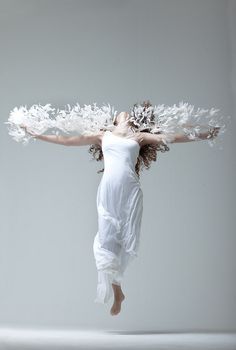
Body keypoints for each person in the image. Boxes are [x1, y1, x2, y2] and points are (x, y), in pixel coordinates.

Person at [20, 104, 220, 316]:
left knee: (124, 239)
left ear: (133, 121)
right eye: (119, 113)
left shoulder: (139, 137)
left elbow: (174, 137)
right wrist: (36, 134)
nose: (124, 112)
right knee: (107, 241)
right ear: (114, 121)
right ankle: (118, 292)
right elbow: (68, 142)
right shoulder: (103, 135)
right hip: (108, 191)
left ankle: (118, 291)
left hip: (130, 192)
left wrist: (206, 135)